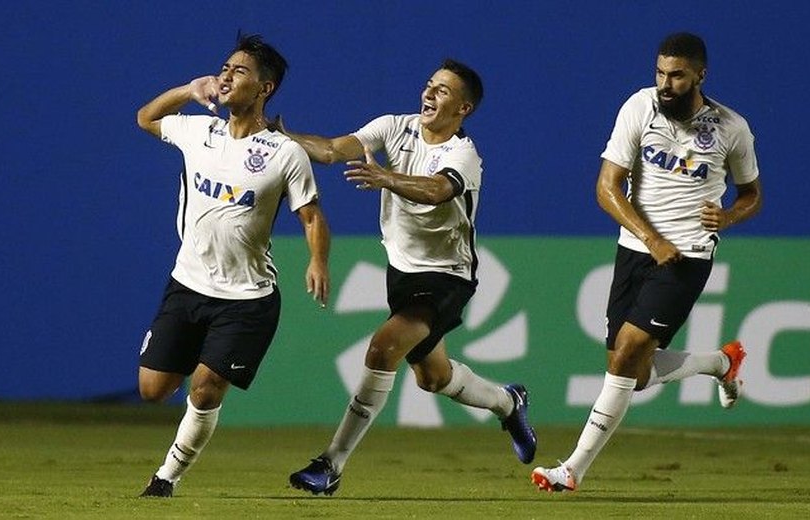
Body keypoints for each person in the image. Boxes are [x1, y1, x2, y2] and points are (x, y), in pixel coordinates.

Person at [275, 59, 537, 496]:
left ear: (464, 107)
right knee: (433, 378)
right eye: (429, 86)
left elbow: (436, 191)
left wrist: (385, 177)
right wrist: (284, 137)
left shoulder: (463, 155)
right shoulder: (395, 127)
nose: (430, 94)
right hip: (401, 272)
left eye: (443, 91)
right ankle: (509, 402)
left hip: (447, 277)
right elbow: (330, 150)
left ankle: (331, 464)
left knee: (383, 347)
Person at [531, 32, 762, 493]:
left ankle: (572, 469)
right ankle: (720, 362)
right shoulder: (639, 107)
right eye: (660, 73)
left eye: (676, 75)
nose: (666, 83)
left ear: (700, 74)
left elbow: (752, 194)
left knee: (631, 349)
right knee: (630, 372)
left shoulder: (732, 128)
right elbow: (606, 187)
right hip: (637, 249)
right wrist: (650, 238)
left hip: (688, 254)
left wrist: (731, 215)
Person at [135, 33, 330, 498]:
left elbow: (312, 215)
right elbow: (146, 118)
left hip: (247, 299)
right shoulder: (198, 131)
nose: (226, 76)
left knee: (205, 389)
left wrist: (317, 260)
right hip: (187, 285)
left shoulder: (285, 154)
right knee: (152, 389)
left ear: (265, 88)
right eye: (224, 68)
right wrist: (189, 88)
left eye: (238, 71)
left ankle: (166, 478)